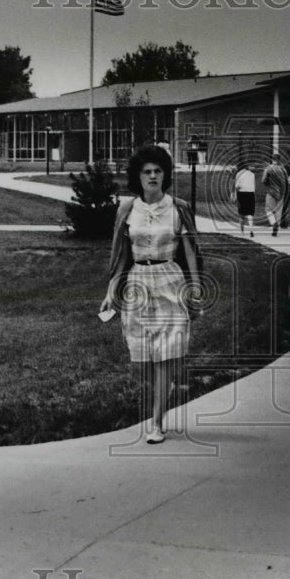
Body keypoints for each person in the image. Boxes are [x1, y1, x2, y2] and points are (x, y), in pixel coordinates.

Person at [100, 145, 203, 445]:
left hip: (170, 281)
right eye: (147, 172)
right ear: (138, 176)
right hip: (138, 285)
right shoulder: (127, 209)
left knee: (165, 355)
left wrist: (194, 286)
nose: (153, 176)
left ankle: (156, 422)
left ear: (165, 175)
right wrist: (110, 290)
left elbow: (191, 253)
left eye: (158, 171)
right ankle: (162, 395)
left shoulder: (178, 207)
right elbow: (121, 256)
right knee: (144, 356)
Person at [261, 154, 287, 236]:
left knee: (268, 209)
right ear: (280, 159)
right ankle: (277, 228)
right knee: (278, 211)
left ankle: (273, 223)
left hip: (271, 191)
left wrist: (267, 183)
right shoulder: (283, 169)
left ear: (272, 159)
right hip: (281, 192)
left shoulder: (269, 168)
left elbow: (263, 180)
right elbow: (286, 180)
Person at [234, 161, 256, 237]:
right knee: (250, 213)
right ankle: (251, 230)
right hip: (251, 194)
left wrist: (235, 196)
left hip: (242, 194)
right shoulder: (252, 174)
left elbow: (237, 187)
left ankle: (242, 232)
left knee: (241, 214)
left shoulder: (238, 174)